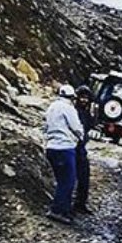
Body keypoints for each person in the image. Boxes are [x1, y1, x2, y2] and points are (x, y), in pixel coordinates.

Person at [43, 84, 84, 225]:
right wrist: (81, 137)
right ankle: (58, 210)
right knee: (68, 182)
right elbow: (76, 127)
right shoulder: (68, 108)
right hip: (64, 148)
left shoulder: (52, 107)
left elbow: (46, 126)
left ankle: (64, 209)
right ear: (72, 97)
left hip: (51, 148)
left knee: (62, 180)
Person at [73, 86, 94, 214]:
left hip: (81, 148)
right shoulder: (74, 111)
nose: (84, 100)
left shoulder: (86, 112)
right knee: (71, 177)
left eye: (86, 98)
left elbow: (91, 125)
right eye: (82, 97)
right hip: (73, 146)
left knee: (84, 177)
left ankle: (80, 203)